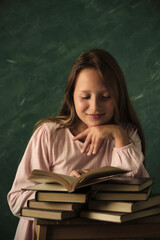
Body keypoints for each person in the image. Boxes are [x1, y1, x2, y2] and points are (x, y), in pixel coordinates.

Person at [7, 49, 149, 240]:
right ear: (71, 96)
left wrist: (117, 134)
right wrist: (67, 191)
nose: (95, 106)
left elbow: (136, 193)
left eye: (105, 96)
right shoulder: (49, 135)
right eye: (85, 97)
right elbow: (16, 201)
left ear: (118, 96)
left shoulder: (127, 134)